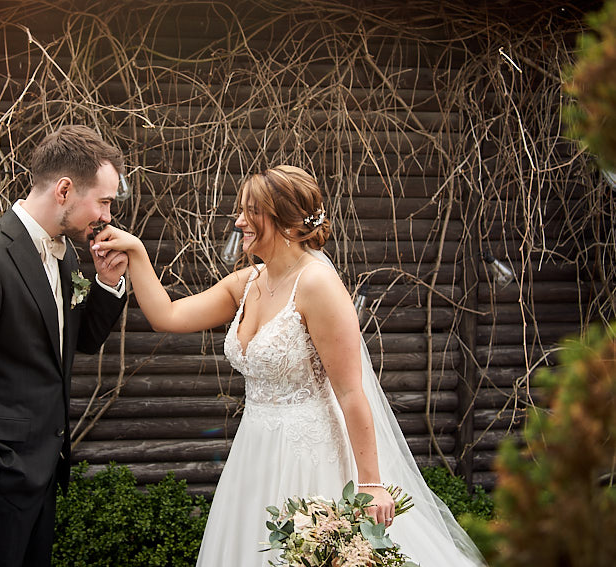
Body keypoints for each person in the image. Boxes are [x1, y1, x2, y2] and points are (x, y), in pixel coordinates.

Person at [92, 165, 485, 566]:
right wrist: (137, 253)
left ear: (283, 221)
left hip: (311, 457)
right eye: (240, 210)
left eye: (251, 212)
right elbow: (168, 316)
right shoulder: (247, 282)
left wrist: (371, 484)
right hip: (255, 451)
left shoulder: (317, 285)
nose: (239, 221)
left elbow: (351, 393)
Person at [0, 125, 129, 567]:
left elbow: (79, 342)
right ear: (65, 189)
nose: (107, 216)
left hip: (42, 474)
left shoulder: (68, 255)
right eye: (104, 201)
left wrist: (108, 284)